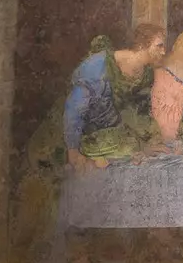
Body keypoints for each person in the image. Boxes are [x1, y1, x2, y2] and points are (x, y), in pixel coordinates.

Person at [63, 24, 164, 168]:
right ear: (142, 46)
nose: (163, 52)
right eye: (159, 46)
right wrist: (72, 151)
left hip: (115, 137)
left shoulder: (146, 73)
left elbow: (140, 112)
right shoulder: (98, 66)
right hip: (84, 136)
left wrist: (151, 141)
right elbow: (75, 109)